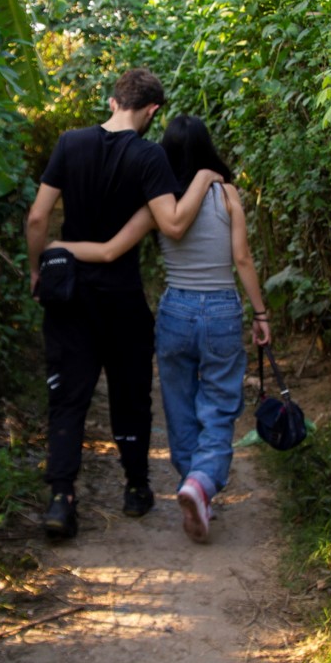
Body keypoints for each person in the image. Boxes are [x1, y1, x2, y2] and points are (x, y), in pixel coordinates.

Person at [53, 115, 271, 543]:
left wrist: (57, 247)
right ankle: (203, 483)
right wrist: (261, 314)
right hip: (223, 309)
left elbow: (111, 249)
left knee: (179, 406)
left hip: (175, 312)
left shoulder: (158, 203)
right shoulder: (227, 194)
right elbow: (243, 259)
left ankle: (193, 481)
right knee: (221, 404)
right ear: (208, 149)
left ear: (166, 153)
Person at [26, 69, 222, 540]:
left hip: (69, 293)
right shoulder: (149, 155)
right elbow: (171, 225)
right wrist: (203, 178)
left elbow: (37, 216)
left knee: (68, 396)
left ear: (114, 101)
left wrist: (37, 270)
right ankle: (136, 489)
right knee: (129, 393)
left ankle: (61, 498)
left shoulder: (70, 143)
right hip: (121, 296)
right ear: (152, 110)